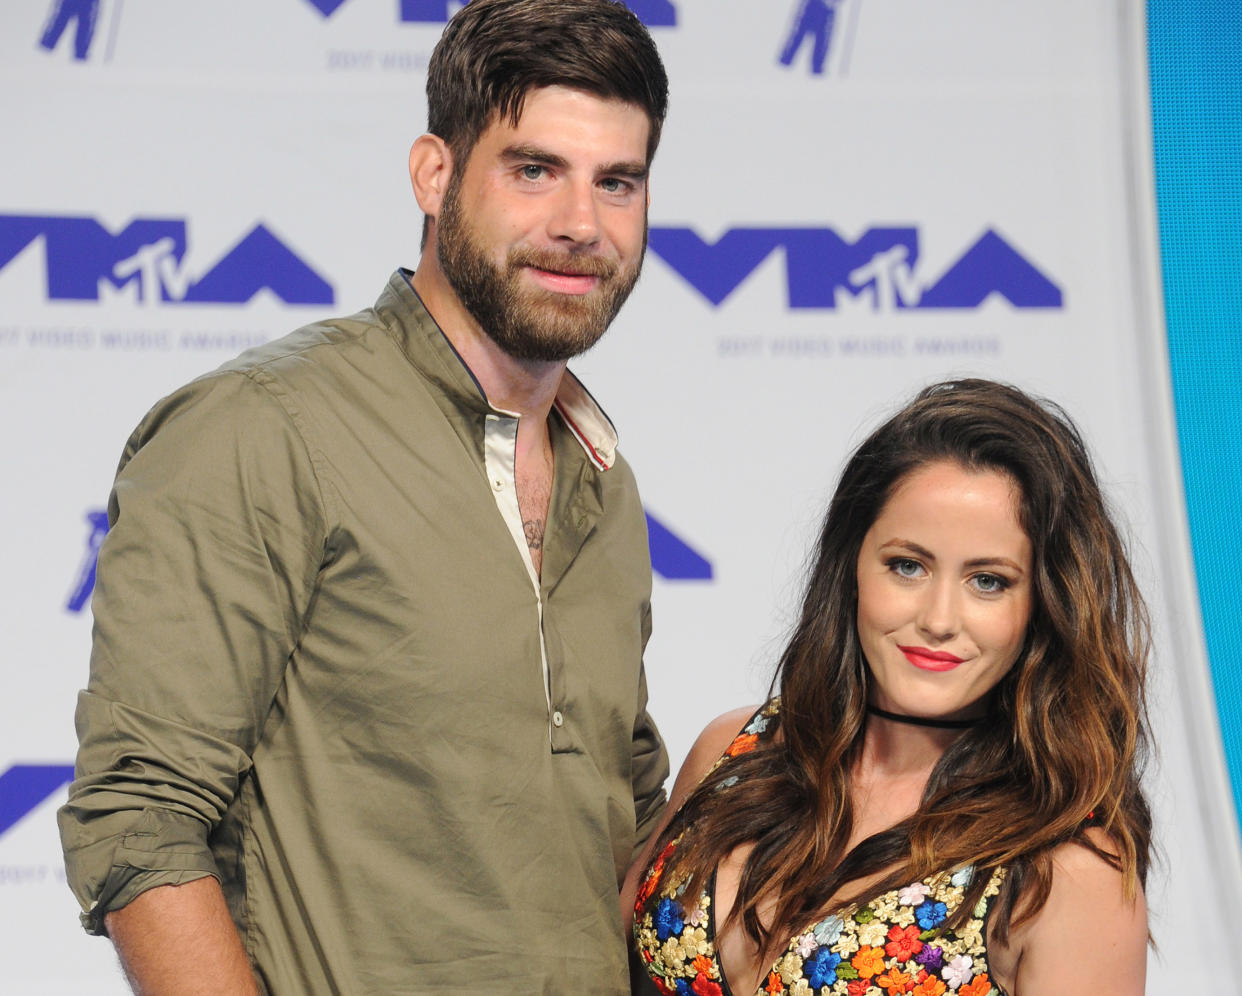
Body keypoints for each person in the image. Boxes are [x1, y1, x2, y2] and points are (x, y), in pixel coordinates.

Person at [58, 1, 670, 992]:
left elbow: (620, 823)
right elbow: (142, 816)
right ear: (435, 174)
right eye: (533, 170)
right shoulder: (262, 429)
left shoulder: (605, 478)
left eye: (618, 182)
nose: (580, 225)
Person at [626, 379, 1151, 996]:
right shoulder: (737, 750)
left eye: (989, 581)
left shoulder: (1065, 865)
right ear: (851, 567)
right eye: (908, 565)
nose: (938, 619)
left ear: (1044, 604)